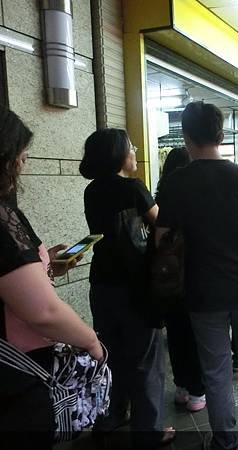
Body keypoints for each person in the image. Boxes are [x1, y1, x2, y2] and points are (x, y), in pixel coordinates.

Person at [155, 102, 238, 449]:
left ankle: (224, 437)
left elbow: (162, 239)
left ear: (186, 136)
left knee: (216, 366)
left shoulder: (176, 182)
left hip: (201, 289)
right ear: (221, 136)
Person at [0, 108, 104, 450]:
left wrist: (44, 268)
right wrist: (90, 341)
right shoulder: (2, 217)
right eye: (20, 153)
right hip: (16, 371)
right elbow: (43, 311)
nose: (24, 162)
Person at [80, 129, 174, 447]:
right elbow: (160, 225)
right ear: (120, 154)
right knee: (146, 358)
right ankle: (150, 429)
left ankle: (111, 415)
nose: (135, 152)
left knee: (110, 354)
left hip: (101, 282)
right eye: (132, 147)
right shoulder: (133, 187)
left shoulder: (91, 191)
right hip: (135, 284)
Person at [155, 147, 207, 412]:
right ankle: (198, 391)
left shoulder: (162, 194)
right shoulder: (197, 193)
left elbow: (158, 237)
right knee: (196, 332)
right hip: (195, 271)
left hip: (169, 274)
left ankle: (182, 388)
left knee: (175, 332)